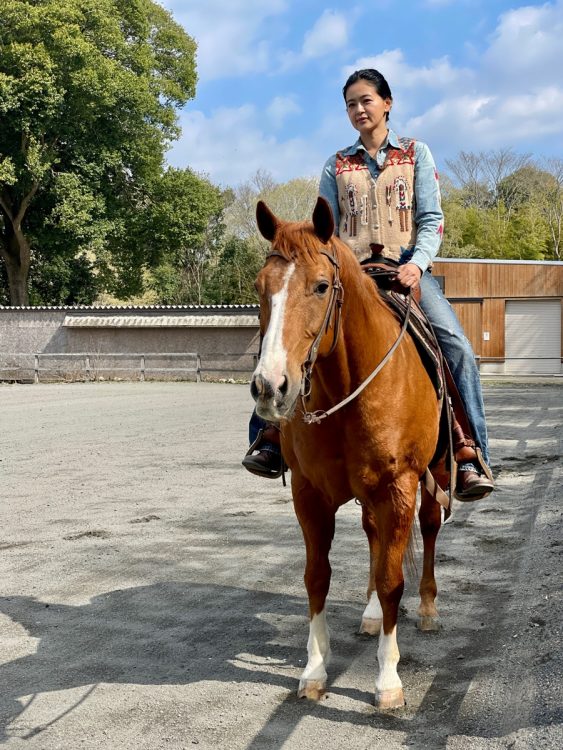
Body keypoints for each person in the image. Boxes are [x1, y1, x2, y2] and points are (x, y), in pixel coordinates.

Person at [243, 68, 494, 501]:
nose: (359, 110)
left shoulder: (417, 154)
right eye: (351, 104)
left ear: (387, 103)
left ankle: (470, 452)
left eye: (366, 101)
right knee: (284, 336)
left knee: (457, 348)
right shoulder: (336, 164)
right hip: (350, 277)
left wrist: (417, 264)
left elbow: (431, 221)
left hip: (405, 274)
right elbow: (327, 231)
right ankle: (268, 434)